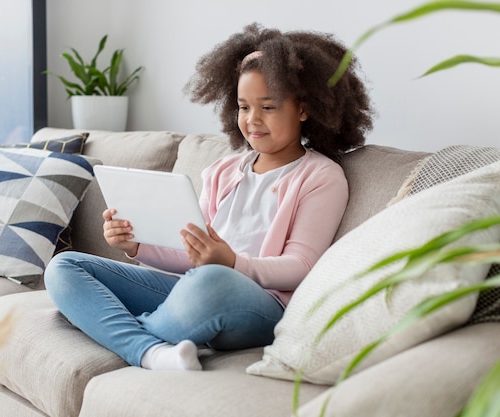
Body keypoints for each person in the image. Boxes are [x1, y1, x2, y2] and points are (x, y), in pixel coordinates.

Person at [44, 23, 374, 371]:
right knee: (65, 267)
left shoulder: (321, 176)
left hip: (257, 304)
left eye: (268, 107)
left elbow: (301, 268)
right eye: (244, 107)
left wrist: (231, 263)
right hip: (194, 287)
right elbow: (191, 253)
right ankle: (153, 353)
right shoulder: (223, 170)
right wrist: (134, 246)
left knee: (211, 280)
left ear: (304, 109)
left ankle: (110, 325)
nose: (252, 120)